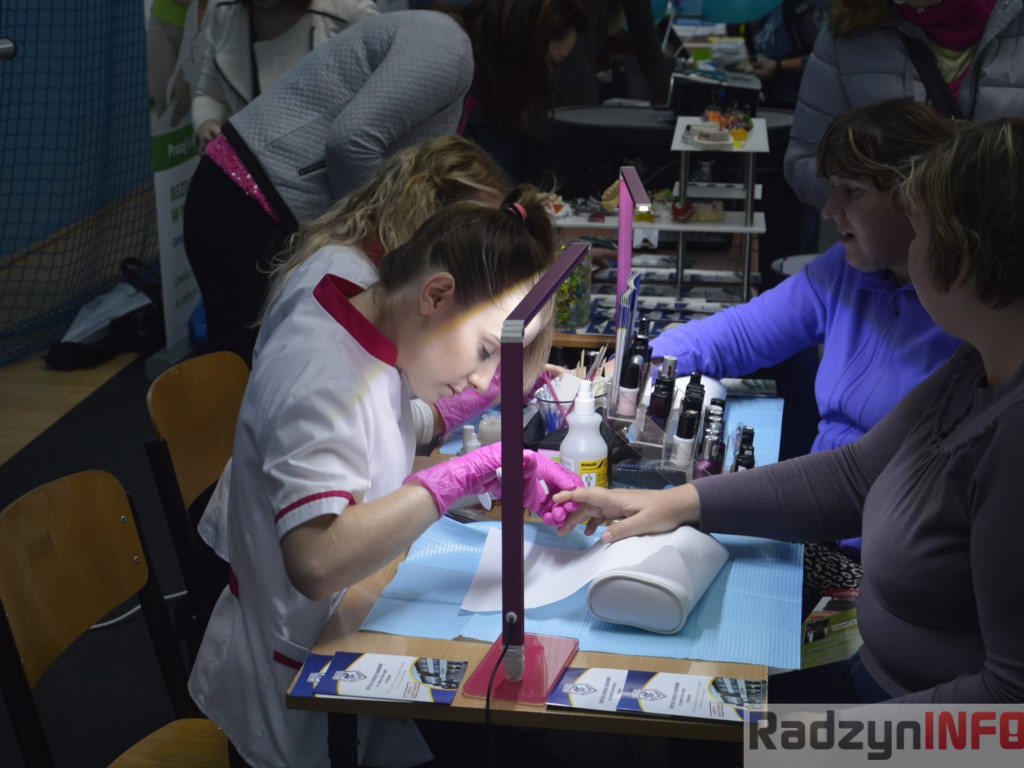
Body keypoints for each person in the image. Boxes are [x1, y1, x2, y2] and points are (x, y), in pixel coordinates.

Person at [556, 116, 1024, 704]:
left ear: (971, 252)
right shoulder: (974, 368)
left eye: (924, 228)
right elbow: (854, 475)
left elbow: (1008, 704)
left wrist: (808, 747)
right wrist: (669, 503)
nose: (914, 246)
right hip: (875, 680)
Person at [188, 187, 585, 767]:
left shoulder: (367, 317)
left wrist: (471, 420)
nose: (479, 378)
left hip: (350, 653)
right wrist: (469, 471)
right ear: (435, 294)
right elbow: (317, 560)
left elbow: (382, 429)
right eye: (481, 350)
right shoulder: (319, 375)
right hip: (299, 700)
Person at [650, 98, 962, 602]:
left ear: (915, 198)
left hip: (884, 558)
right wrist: (636, 365)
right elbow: (737, 335)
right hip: (823, 523)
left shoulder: (968, 323)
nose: (829, 209)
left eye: (852, 191)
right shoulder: (845, 270)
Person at [183, 1, 586, 365]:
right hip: (240, 203)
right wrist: (385, 249)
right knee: (245, 369)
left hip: (261, 203)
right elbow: (350, 145)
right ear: (524, 50)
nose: (548, 76)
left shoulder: (455, 61)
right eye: (549, 63)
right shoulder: (447, 50)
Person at [785, 0, 1024, 209]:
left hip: (1004, 250)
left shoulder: (1014, 20)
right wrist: (872, 184)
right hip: (894, 252)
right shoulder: (848, 33)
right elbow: (803, 165)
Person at [191, 0, 379, 153]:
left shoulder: (349, 12)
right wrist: (207, 125)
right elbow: (209, 94)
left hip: (338, 183)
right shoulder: (224, 10)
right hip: (253, 180)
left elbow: (390, 101)